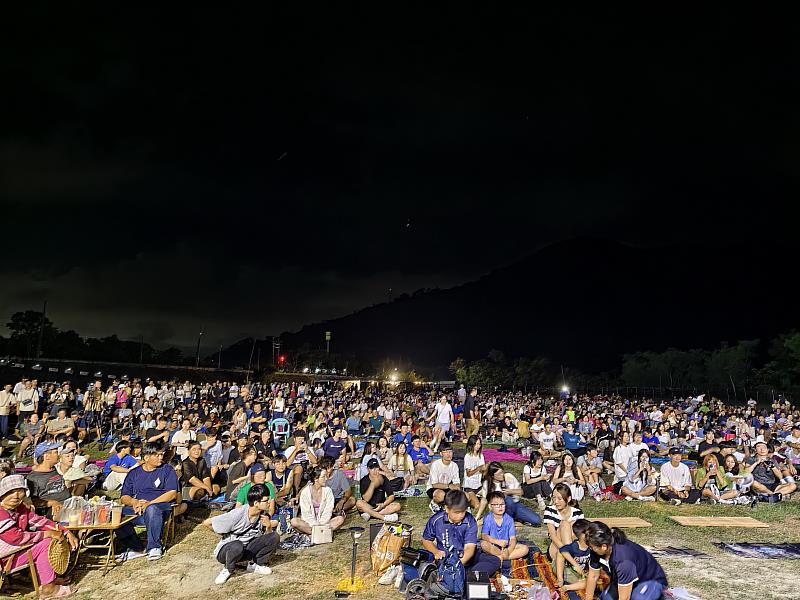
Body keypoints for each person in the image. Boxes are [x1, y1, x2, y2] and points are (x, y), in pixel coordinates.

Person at [0, 474, 80, 598]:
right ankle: (48, 587)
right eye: (10, 492)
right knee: (47, 543)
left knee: (48, 539)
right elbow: (15, 537)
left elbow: (40, 522)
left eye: (20, 491)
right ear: (2, 493)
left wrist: (65, 531)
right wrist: (47, 534)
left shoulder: (20, 508)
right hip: (4, 559)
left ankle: (49, 579)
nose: (15, 496)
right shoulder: (1, 512)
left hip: (15, 552)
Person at [205, 483, 279, 584]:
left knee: (274, 536)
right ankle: (228, 569)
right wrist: (224, 535)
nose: (269, 503)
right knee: (236, 545)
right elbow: (208, 523)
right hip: (227, 551)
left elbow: (266, 538)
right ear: (256, 503)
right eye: (266, 500)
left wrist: (268, 526)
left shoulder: (263, 515)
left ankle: (254, 565)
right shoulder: (237, 514)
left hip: (246, 549)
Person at [422, 490, 501, 582]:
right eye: (456, 512)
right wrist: (435, 551)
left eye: (463, 512)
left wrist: (457, 566)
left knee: (495, 560)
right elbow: (426, 540)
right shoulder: (436, 520)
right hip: (446, 560)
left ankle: (464, 576)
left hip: (466, 559)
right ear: (447, 508)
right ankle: (467, 577)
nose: (460, 516)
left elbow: (469, 548)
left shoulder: (470, 521)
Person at [119, 442, 179, 561]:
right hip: (138, 507)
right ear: (146, 457)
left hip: (160, 507)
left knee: (152, 509)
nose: (161, 457)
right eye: (157, 455)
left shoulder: (167, 470)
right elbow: (124, 497)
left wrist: (150, 503)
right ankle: (136, 548)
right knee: (115, 514)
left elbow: (172, 493)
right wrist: (134, 502)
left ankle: (154, 547)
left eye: (161, 454)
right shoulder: (134, 473)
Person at [584, 521, 668, 600]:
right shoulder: (597, 551)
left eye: (591, 547)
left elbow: (624, 598)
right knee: (606, 598)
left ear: (604, 546)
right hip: (625, 578)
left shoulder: (624, 561)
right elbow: (593, 576)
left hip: (650, 580)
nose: (590, 549)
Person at [290, 466, 345, 542]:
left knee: (340, 519)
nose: (326, 479)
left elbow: (328, 510)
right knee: (294, 522)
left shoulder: (328, 491)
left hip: (324, 523)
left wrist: (321, 524)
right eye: (323, 477)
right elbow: (306, 514)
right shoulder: (305, 492)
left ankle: (313, 535)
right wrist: (316, 526)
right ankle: (322, 534)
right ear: (316, 479)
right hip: (309, 523)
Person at [477, 461, 541, 526]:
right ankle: (508, 521)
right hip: (499, 509)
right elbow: (484, 500)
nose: (502, 475)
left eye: (502, 472)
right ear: (493, 476)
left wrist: (511, 491)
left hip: (515, 505)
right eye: (499, 474)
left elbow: (521, 492)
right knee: (508, 500)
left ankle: (513, 519)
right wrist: (478, 515)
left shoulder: (508, 477)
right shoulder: (487, 484)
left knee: (536, 520)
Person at [480, 490, 530, 572]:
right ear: (490, 506)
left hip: (506, 547)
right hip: (494, 546)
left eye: (502, 504)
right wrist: (497, 542)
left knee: (525, 549)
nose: (500, 507)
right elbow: (484, 535)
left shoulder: (509, 519)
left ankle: (500, 557)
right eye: (496, 505)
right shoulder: (488, 518)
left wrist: (509, 550)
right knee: (483, 544)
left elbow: (513, 538)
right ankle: (503, 557)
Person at [26, 441, 70, 518]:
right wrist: (52, 503)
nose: (59, 455)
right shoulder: (33, 478)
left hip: (68, 503)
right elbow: (32, 502)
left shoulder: (53, 469)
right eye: (56, 452)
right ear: (46, 456)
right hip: (51, 510)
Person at [544, 483, 585, 561]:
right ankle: (570, 559)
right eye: (553, 498)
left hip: (574, 545)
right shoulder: (550, 510)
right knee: (565, 524)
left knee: (573, 523)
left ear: (568, 499)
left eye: (559, 498)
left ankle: (570, 559)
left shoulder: (577, 513)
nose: (556, 501)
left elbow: (580, 535)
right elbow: (553, 536)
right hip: (557, 548)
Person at [356, 458, 401, 522]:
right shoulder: (364, 480)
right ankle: (384, 517)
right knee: (359, 503)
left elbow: (391, 496)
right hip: (368, 506)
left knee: (397, 506)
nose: (375, 470)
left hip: (380, 506)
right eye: (372, 468)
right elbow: (366, 499)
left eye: (376, 468)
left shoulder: (383, 478)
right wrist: (373, 484)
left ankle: (370, 514)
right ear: (368, 469)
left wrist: (383, 505)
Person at [556, 518, 593, 593]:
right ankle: (560, 579)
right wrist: (576, 565)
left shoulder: (592, 546)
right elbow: (562, 550)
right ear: (582, 535)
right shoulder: (574, 546)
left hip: (581, 574)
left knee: (592, 581)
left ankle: (567, 587)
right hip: (568, 570)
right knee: (560, 554)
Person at [425, 442, 461, 513]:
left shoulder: (454, 465)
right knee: (441, 495)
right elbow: (434, 484)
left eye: (450, 452)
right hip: (433, 488)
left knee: (460, 496)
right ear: (441, 454)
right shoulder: (436, 465)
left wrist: (457, 488)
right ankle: (434, 503)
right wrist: (449, 486)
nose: (449, 454)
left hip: (446, 488)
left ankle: (445, 504)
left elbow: (457, 482)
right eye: (446, 452)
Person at [463, 435, 486, 511]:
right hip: (469, 486)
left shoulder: (481, 456)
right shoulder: (468, 456)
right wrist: (478, 468)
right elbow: (468, 474)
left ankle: (476, 497)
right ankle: (467, 501)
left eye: (479, 444)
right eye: (476, 444)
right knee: (477, 506)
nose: (478, 446)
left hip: (478, 485)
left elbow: (483, 470)